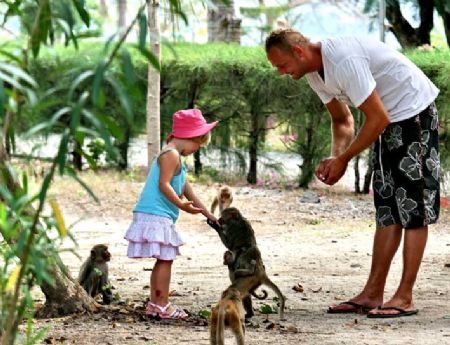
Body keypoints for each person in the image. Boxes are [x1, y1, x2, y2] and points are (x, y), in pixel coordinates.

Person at [265, 29, 440, 318]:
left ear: (298, 51)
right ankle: (372, 294)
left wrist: (344, 159)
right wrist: (336, 157)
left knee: (413, 209)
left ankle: (404, 296)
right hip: (387, 120)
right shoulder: (313, 72)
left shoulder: (343, 59)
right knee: (387, 209)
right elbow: (342, 119)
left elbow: (378, 117)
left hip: (413, 113)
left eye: (282, 65)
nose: (282, 73)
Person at [124, 109, 218, 320]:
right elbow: (164, 184)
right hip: (155, 214)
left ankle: (156, 304)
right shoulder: (171, 154)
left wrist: (209, 215)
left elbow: (188, 191)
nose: (196, 150)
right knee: (166, 259)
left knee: (164, 260)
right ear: (188, 136)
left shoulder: (177, 158)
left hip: (159, 214)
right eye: (197, 145)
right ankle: (162, 303)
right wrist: (182, 206)